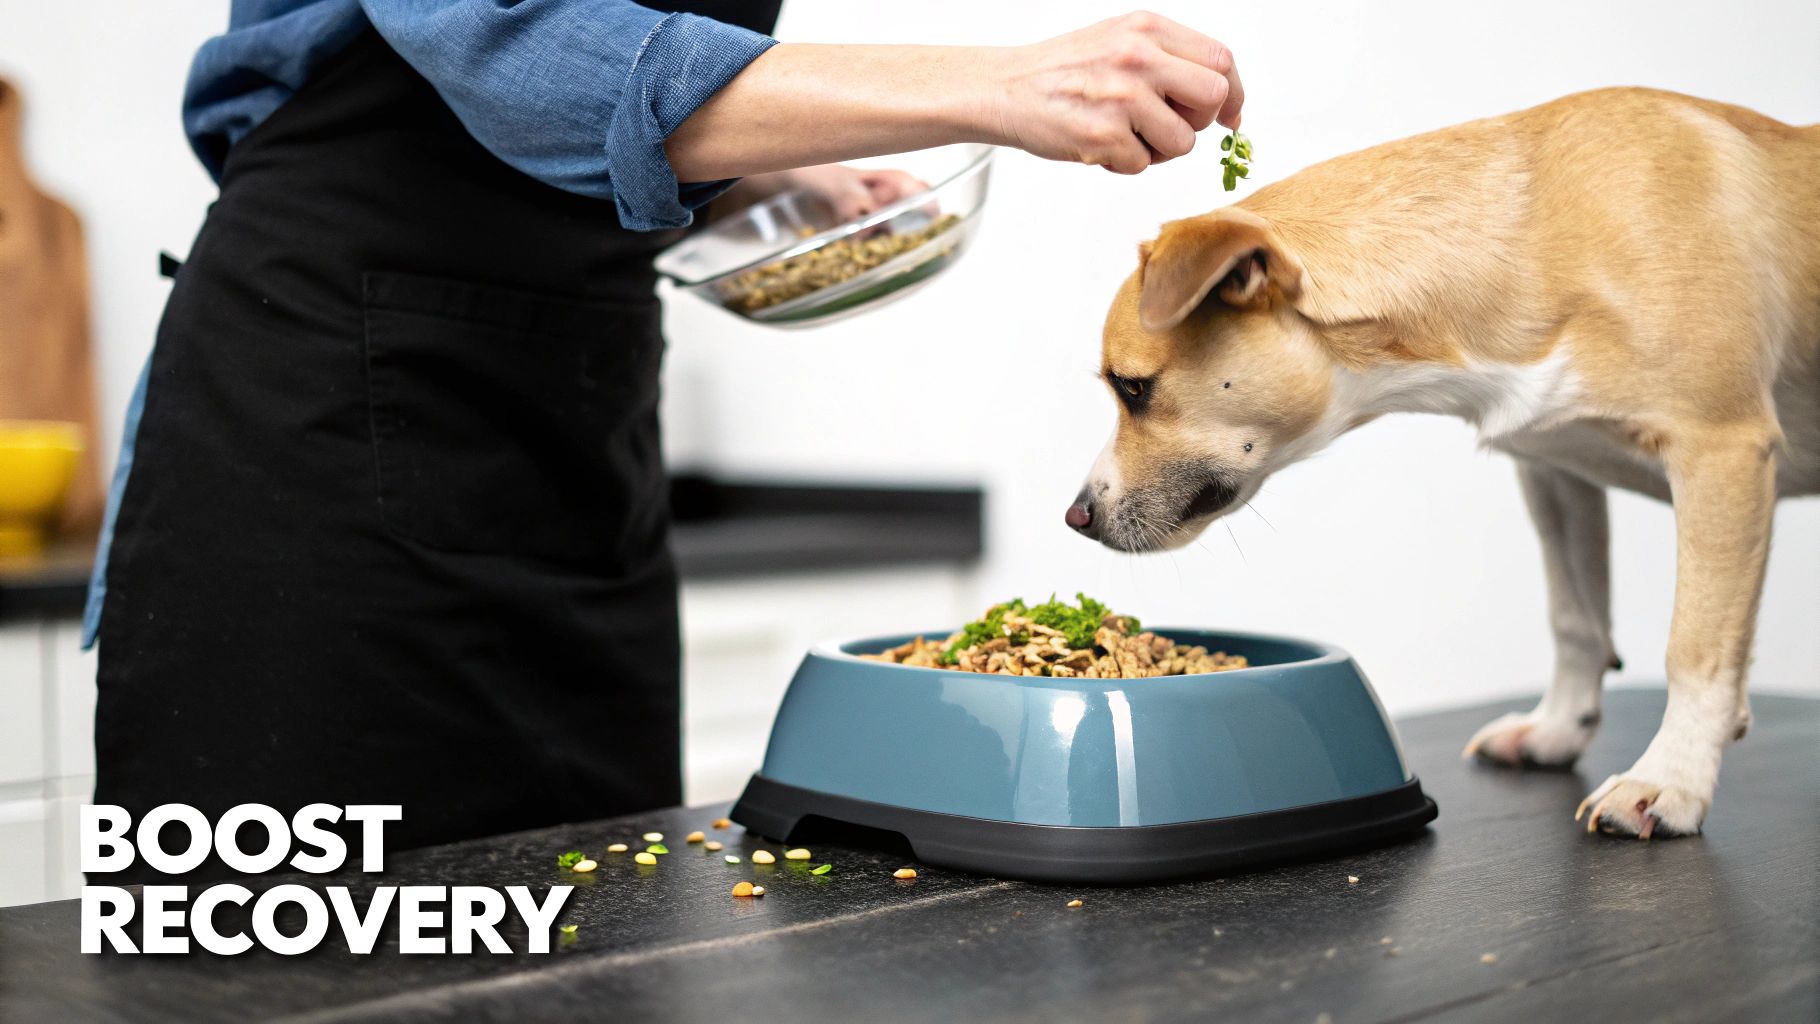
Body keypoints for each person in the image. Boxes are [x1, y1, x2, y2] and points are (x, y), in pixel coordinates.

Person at [85, 0, 1245, 883]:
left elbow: (587, 114)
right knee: (301, 950)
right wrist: (1003, 82)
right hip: (318, 429)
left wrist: (747, 173)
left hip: (572, 419)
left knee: (594, 928)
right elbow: (519, 44)